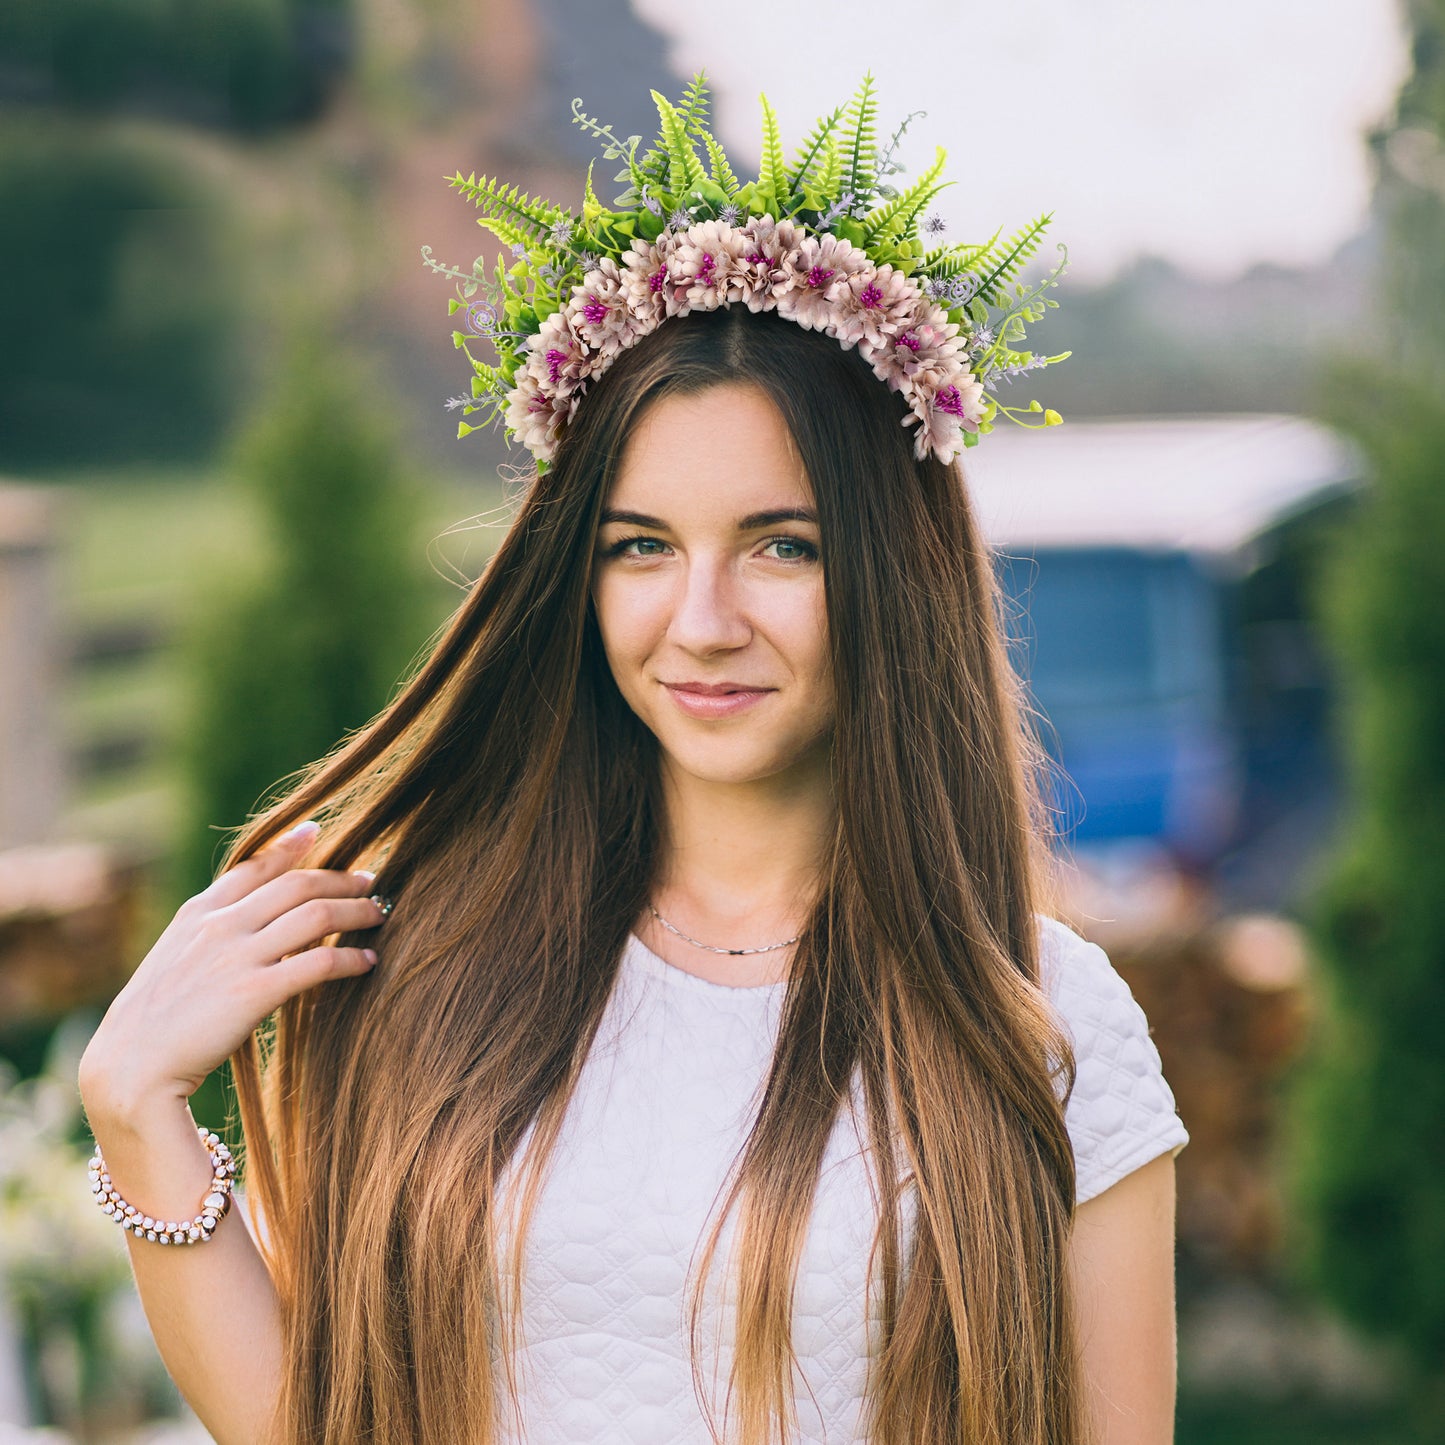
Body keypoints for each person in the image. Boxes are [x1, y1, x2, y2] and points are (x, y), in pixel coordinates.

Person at [77, 78, 1190, 1445]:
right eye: (640, 545)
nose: (701, 620)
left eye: (781, 544)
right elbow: (311, 1425)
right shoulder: (432, 963)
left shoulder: (1047, 1023)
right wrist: (134, 1106)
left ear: (889, 572)